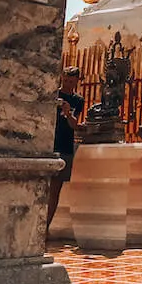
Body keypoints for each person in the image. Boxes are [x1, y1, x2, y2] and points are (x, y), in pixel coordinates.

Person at [47, 66, 84, 231]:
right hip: (49, 143)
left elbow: (75, 126)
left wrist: (68, 113)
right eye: (66, 80)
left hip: (65, 146)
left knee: (55, 190)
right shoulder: (53, 94)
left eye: (71, 81)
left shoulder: (78, 100)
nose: (68, 83)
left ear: (76, 81)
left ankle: (45, 227)